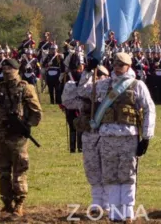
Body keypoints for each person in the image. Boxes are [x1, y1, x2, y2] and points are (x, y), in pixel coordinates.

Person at [86, 51, 156, 221]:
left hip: (128, 137)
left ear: (128, 66)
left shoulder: (137, 85)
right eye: (115, 65)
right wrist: (88, 72)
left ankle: (128, 212)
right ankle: (115, 213)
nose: (117, 68)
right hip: (107, 137)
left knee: (127, 175)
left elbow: (149, 109)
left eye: (121, 65)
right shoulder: (104, 84)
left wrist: (146, 137)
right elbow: (83, 91)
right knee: (110, 176)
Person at [0, 57, 42, 215]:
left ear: (16, 70)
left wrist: (27, 126)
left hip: (17, 136)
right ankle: (7, 201)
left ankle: (19, 203)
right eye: (4, 70)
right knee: (2, 170)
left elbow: (36, 112)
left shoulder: (25, 88)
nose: (6, 72)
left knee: (19, 169)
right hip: (0, 134)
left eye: (9, 69)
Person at [64, 61, 109, 211]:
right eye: (98, 75)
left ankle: (108, 200)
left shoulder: (111, 90)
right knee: (92, 166)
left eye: (102, 76)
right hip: (90, 133)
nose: (99, 79)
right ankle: (97, 200)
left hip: (108, 133)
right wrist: (84, 103)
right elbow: (67, 102)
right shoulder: (83, 89)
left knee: (108, 166)